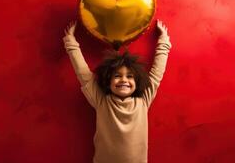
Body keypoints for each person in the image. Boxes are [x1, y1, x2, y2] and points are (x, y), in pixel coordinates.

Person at [63, 19, 172, 163]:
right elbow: (83, 74)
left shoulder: (143, 99)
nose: (124, 80)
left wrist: (163, 41)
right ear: (108, 80)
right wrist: (71, 42)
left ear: (137, 81)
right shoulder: (101, 100)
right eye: (117, 76)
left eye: (130, 76)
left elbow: (156, 73)